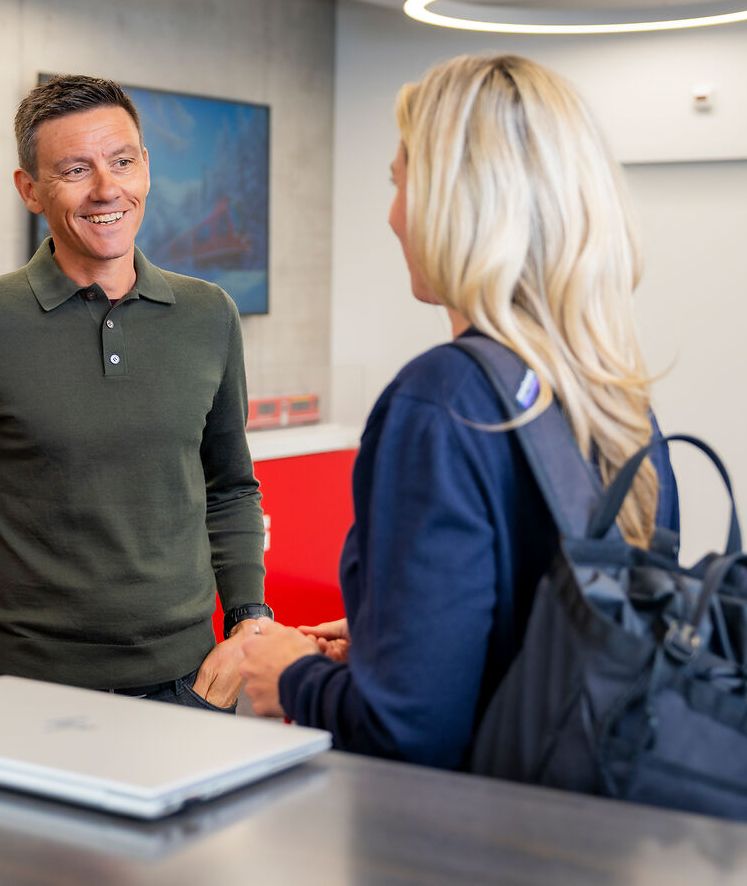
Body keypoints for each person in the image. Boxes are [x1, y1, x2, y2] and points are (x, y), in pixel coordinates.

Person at [239, 53, 679, 766]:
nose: (391, 216)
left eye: (399, 182)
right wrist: (397, 638)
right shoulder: (616, 395)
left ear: (451, 202)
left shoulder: (441, 401)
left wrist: (292, 675)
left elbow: (410, 731)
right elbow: (567, 642)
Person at [0, 75, 267, 709]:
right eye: (75, 169)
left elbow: (231, 487)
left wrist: (249, 619)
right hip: (24, 688)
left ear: (146, 167)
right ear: (29, 189)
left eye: (122, 162)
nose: (106, 189)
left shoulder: (210, 314)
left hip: (189, 684)